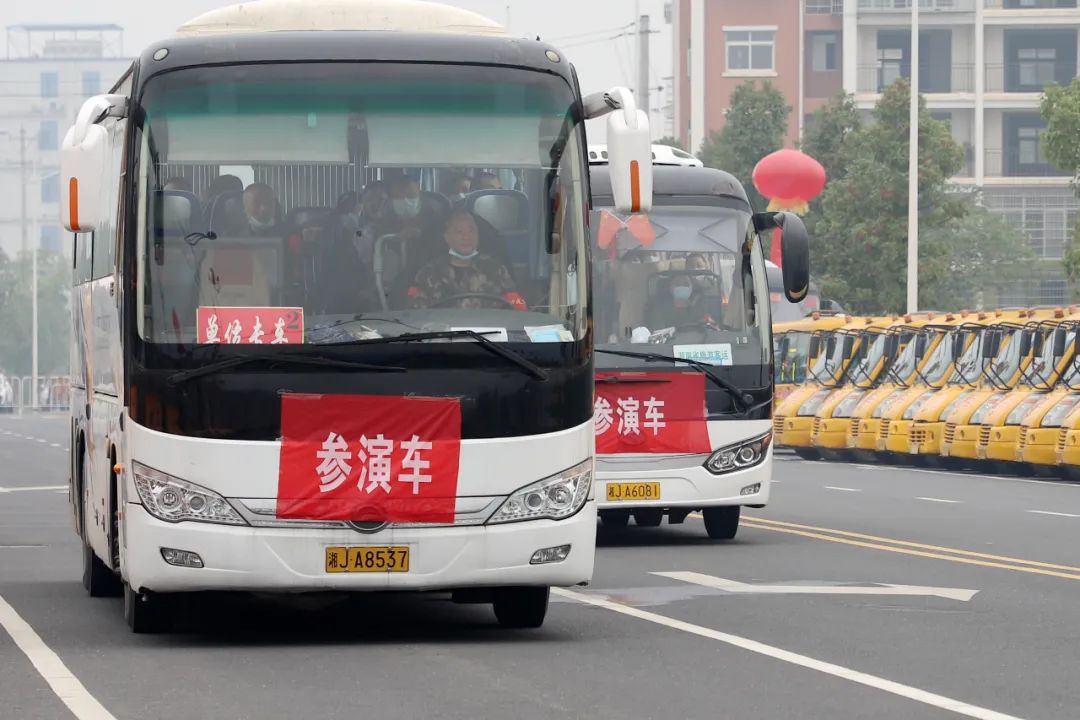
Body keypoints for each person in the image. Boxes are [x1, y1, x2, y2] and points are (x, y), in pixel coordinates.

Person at [408, 209, 521, 310]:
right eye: (459, 231)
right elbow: (414, 312)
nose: (466, 237)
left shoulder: (495, 268)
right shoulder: (428, 273)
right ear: (447, 237)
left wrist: (522, 311)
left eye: (471, 231)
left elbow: (516, 301)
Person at [646, 273, 713, 330]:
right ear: (670, 287)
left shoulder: (700, 306)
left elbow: (711, 326)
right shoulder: (660, 308)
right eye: (677, 284)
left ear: (691, 287)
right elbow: (657, 332)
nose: (681, 287)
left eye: (685, 284)